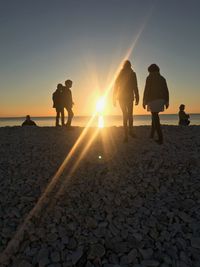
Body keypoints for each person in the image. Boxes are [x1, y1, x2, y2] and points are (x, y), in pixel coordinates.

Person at [113, 60, 139, 142]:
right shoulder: (132, 74)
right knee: (129, 114)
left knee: (125, 115)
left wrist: (113, 98)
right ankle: (129, 132)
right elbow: (135, 86)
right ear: (130, 66)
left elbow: (115, 87)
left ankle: (126, 135)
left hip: (122, 97)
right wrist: (137, 96)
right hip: (127, 97)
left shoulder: (120, 74)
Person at [143, 64, 169, 145]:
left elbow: (146, 90)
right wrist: (167, 101)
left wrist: (144, 101)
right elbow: (166, 90)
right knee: (154, 116)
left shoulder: (149, 78)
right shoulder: (162, 78)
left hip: (152, 99)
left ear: (150, 70)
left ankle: (160, 138)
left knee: (155, 117)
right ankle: (152, 134)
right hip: (161, 100)